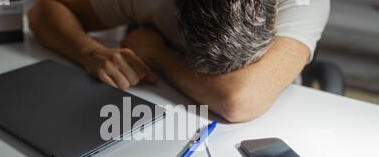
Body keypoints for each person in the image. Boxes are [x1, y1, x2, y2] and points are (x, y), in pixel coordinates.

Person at [28, 0, 330, 122]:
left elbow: (238, 100)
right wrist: (90, 52)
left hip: (272, 124)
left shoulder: (305, 4)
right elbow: (44, 11)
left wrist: (156, 54)